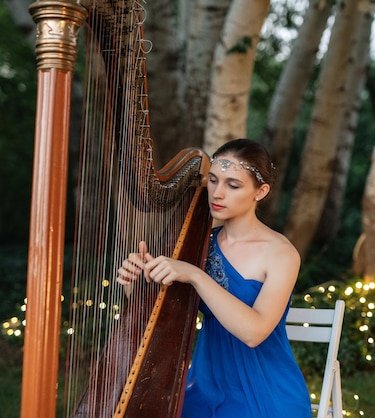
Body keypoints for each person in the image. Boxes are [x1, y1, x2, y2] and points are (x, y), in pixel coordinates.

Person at [116, 138, 312, 417]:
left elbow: (254, 333)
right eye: (213, 181)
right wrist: (134, 283)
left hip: (266, 393)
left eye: (233, 185)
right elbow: (162, 319)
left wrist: (195, 275)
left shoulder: (281, 254)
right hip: (205, 388)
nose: (217, 193)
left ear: (261, 191)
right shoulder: (198, 246)